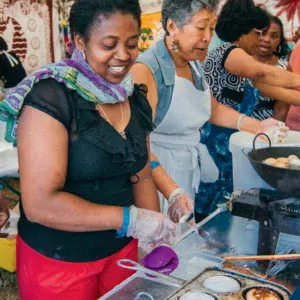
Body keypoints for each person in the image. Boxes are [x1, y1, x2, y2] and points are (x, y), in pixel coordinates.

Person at [0, 0, 179, 299]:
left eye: (132, 44)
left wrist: (154, 239)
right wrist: (130, 220)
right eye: (109, 44)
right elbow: (41, 204)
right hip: (59, 262)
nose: (123, 55)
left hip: (121, 253)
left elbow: (142, 174)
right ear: (79, 41)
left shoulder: (133, 96)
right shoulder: (52, 99)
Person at [131, 0, 288, 219]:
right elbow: (138, 148)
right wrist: (172, 192)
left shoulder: (194, 63)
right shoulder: (147, 69)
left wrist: (258, 126)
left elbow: (212, 109)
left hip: (186, 172)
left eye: (211, 28)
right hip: (157, 176)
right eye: (201, 27)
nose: (207, 37)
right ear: (172, 26)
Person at [196, 0, 300, 220]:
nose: (261, 39)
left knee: (233, 201)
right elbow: (264, 74)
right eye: (257, 33)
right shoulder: (228, 52)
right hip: (216, 143)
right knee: (216, 205)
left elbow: (278, 91)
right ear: (241, 32)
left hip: (233, 141)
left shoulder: (244, 60)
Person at [252, 16, 291, 121]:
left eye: (274, 36)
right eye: (263, 33)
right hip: (234, 124)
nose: (267, 39)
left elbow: (281, 109)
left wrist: (271, 133)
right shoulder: (239, 59)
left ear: (279, 41)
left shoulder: (284, 68)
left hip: (267, 127)